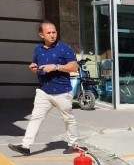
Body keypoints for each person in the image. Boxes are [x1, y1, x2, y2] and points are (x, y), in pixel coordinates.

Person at [9, 21, 84, 156]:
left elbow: (74, 67)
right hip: (44, 91)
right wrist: (33, 67)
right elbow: (37, 65)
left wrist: (56, 67)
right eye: (48, 33)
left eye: (54, 32)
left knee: (68, 119)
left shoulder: (64, 48)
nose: (52, 35)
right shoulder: (38, 49)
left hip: (62, 92)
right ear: (41, 34)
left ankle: (73, 145)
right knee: (35, 118)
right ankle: (26, 146)